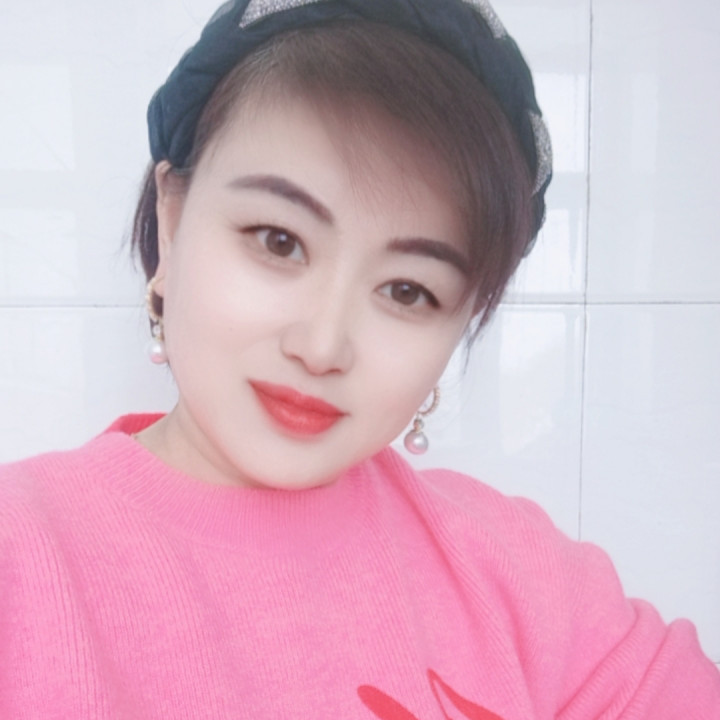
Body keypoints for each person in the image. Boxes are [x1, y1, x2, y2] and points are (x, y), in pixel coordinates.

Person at [1, 0, 718, 717]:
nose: (322, 347)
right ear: (173, 217)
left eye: (408, 291)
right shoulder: (23, 557)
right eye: (279, 241)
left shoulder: (524, 578)